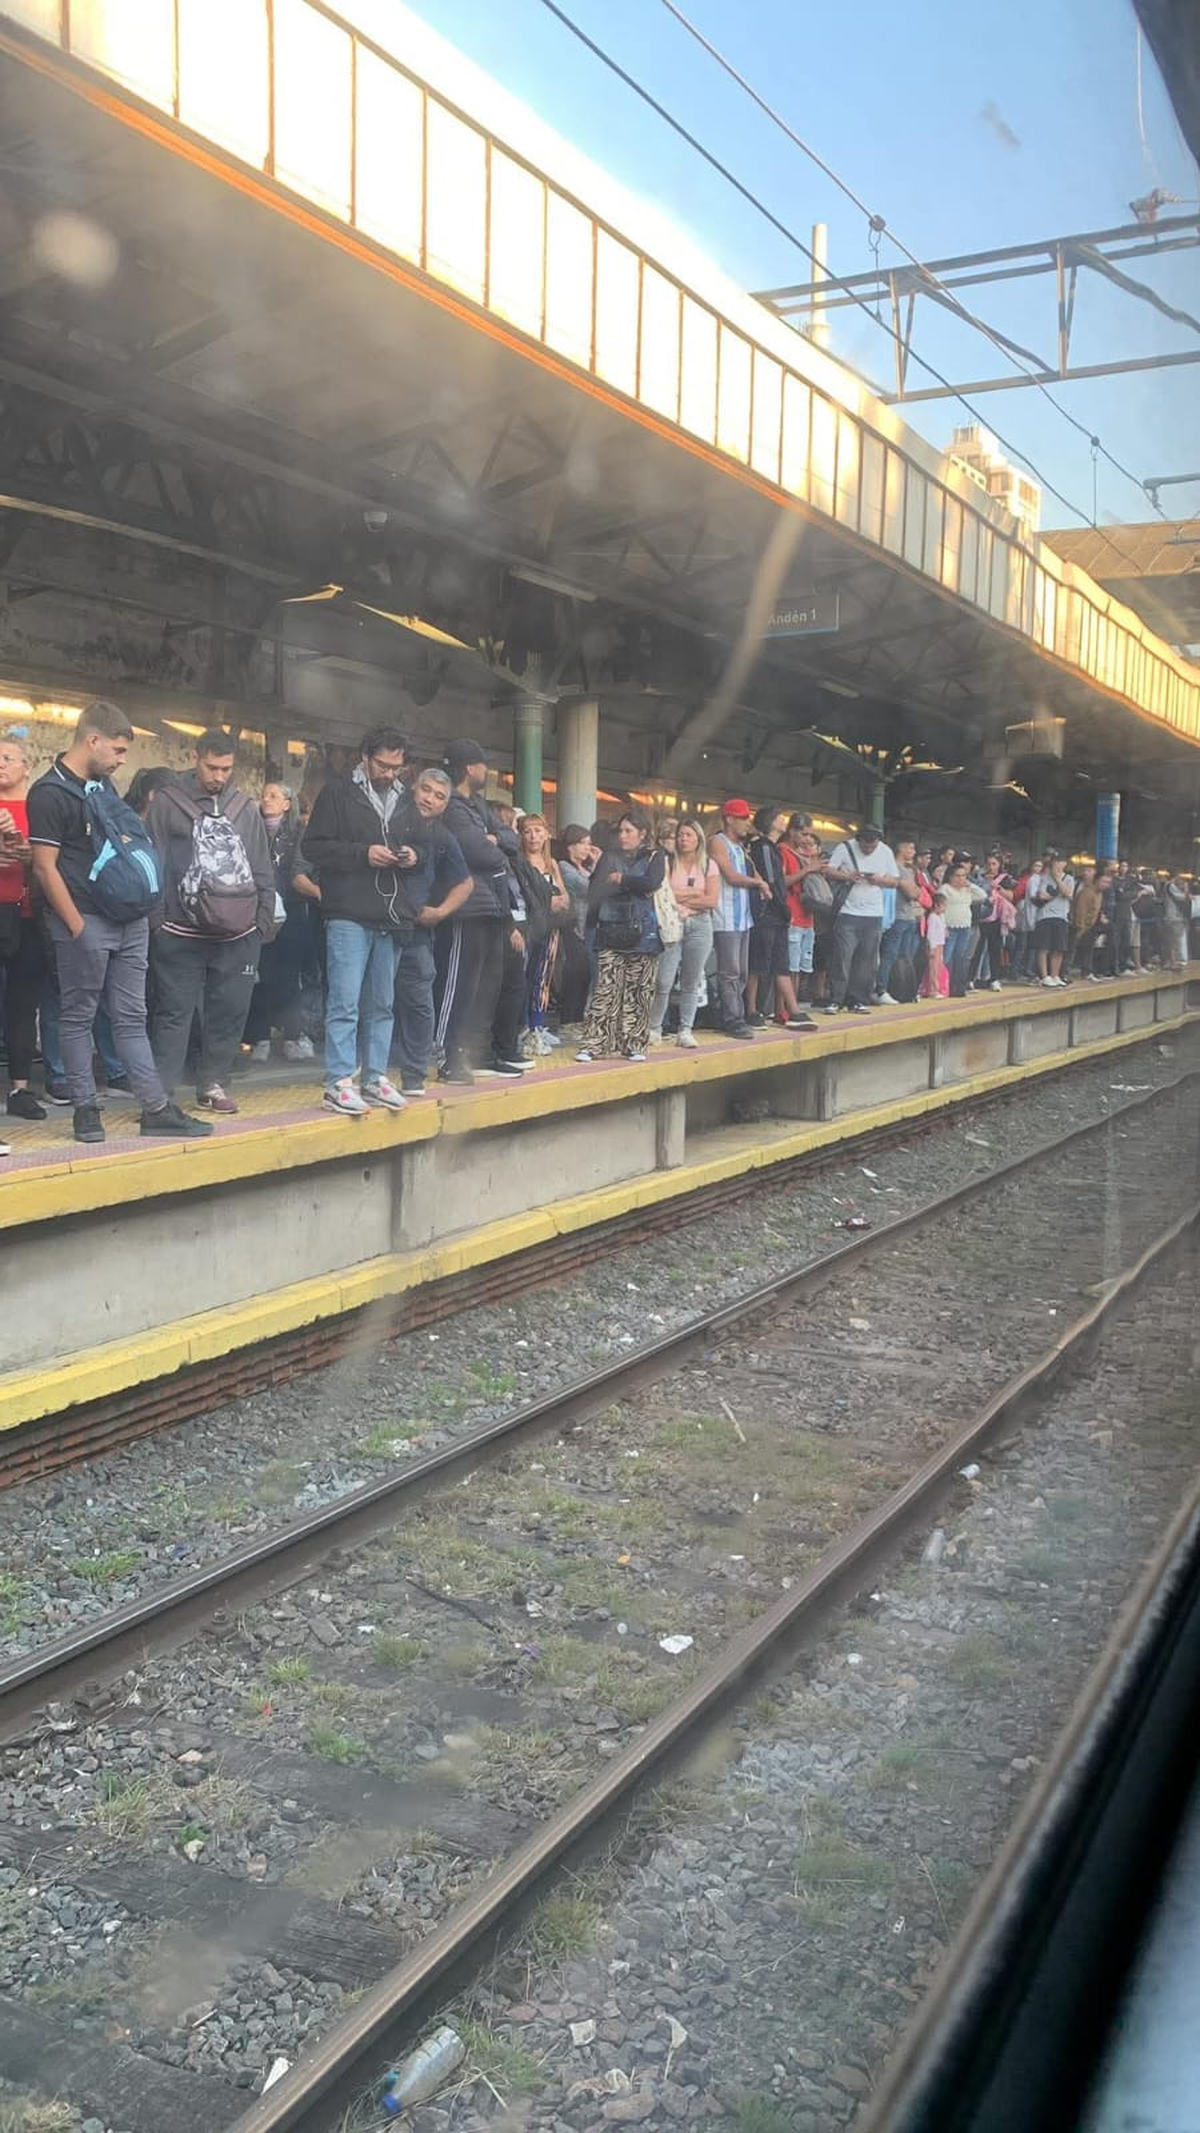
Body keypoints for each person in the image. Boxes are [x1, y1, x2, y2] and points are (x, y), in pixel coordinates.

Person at [27, 699, 213, 1145]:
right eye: (117, 750)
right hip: (85, 921)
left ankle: (155, 1108)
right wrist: (75, 926)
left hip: (128, 920)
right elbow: (45, 868)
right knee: (78, 1016)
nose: (121, 759)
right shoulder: (48, 793)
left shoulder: (102, 787)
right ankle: (85, 1110)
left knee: (132, 1016)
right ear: (91, 740)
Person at [144, 729, 278, 1116]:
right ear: (195, 757)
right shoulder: (168, 802)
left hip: (238, 931)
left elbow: (261, 866)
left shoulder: (245, 807)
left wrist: (261, 923)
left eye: (226, 768)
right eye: (212, 766)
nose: (219, 776)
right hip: (178, 930)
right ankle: (162, 1095)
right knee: (173, 1011)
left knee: (229, 1009)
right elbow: (154, 861)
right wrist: (156, 921)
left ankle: (213, 1084)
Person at [301, 725, 420, 1115]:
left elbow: (425, 843)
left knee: (383, 1004)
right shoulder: (338, 791)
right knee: (345, 1002)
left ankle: (374, 1078)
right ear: (365, 758)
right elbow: (313, 846)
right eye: (383, 765)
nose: (390, 774)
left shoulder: (405, 798)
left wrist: (413, 855)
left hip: (391, 914)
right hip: (348, 911)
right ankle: (338, 1081)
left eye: (396, 768)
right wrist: (361, 854)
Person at [434, 740, 520, 1084]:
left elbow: (508, 841)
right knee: (459, 985)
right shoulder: (453, 808)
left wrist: (496, 839)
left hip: (491, 907)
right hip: (464, 908)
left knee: (487, 987)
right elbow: (482, 853)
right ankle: (448, 1055)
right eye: (484, 764)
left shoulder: (477, 805)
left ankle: (479, 1052)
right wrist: (495, 843)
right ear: (470, 767)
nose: (488, 771)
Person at [387, 765, 473, 1095]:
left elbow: (464, 884)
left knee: (419, 1005)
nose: (430, 799)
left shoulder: (443, 838)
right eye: (426, 790)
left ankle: (413, 1076)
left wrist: (439, 912)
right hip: (375, 925)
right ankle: (362, 1073)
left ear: (445, 804)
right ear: (414, 788)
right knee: (372, 1003)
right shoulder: (388, 819)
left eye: (439, 796)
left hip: (416, 933)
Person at [576, 809, 666, 1061]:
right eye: (621, 831)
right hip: (610, 929)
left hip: (644, 933)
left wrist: (621, 879)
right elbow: (596, 888)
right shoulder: (609, 856)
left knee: (639, 990)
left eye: (629, 831)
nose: (623, 836)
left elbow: (652, 882)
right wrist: (629, 884)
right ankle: (595, 1043)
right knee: (606, 989)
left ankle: (634, 1044)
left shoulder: (655, 856)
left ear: (643, 833)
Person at [243, 780, 312, 1064]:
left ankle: (292, 1035)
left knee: (288, 974)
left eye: (273, 796)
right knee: (258, 976)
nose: (266, 800)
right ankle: (259, 1037)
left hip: (292, 911)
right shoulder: (251, 831)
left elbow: (299, 870)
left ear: (287, 803)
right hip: (259, 912)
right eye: (263, 795)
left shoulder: (299, 832)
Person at [0, 731, 47, 1120]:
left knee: (22, 1004)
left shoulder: (38, 808)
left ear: (26, 767)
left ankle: (19, 1089)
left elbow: (53, 863)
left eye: (8, 757)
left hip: (28, 916)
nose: (1, 763)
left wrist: (30, 856)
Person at [649, 815, 719, 1047]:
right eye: (680, 835)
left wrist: (688, 899)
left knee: (691, 980)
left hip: (700, 924)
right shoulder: (668, 862)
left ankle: (685, 1029)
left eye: (688, 835)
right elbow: (665, 895)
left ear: (698, 839)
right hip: (673, 922)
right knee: (663, 980)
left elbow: (712, 900)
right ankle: (654, 1027)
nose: (683, 839)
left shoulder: (709, 864)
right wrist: (695, 895)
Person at [746, 806, 813, 1028]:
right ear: (771, 822)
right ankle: (751, 1009)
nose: (784, 820)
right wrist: (784, 907)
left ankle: (792, 1010)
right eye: (779, 817)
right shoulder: (763, 846)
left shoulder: (771, 848)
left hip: (777, 912)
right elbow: (773, 880)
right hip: (767, 912)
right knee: (758, 963)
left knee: (779, 963)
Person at [821, 822, 899, 1014]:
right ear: (859, 840)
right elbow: (828, 870)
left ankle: (857, 999)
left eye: (873, 846)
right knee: (842, 956)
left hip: (873, 913)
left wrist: (878, 880)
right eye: (865, 845)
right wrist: (847, 876)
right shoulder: (845, 847)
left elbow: (895, 881)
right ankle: (836, 998)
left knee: (866, 960)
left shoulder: (885, 852)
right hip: (848, 911)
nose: (869, 849)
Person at [710, 798, 768, 1038]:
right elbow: (731, 876)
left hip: (743, 917)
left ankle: (735, 1013)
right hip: (725, 916)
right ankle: (732, 1018)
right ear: (729, 819)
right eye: (743, 818)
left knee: (742, 971)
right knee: (730, 971)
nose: (747, 823)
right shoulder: (717, 842)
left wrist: (761, 882)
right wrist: (759, 883)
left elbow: (750, 870)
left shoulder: (741, 847)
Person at [514, 813, 571, 1056]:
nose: (533, 836)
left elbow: (565, 898)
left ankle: (537, 1025)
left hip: (550, 928)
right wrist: (548, 902)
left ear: (547, 833)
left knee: (542, 978)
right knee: (522, 977)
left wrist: (551, 902)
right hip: (527, 929)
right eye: (527, 831)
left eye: (538, 830)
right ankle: (521, 1027)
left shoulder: (552, 864)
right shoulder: (518, 862)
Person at [551, 823, 594, 1031]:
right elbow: (589, 888)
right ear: (570, 846)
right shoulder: (563, 867)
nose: (587, 848)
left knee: (585, 973)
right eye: (583, 843)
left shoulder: (585, 868)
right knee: (574, 973)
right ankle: (568, 1020)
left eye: (589, 843)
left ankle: (577, 1019)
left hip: (587, 927)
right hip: (571, 925)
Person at [779, 815, 822, 1004]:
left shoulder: (802, 855)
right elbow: (781, 882)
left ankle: (794, 1003)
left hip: (807, 916)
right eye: (804, 834)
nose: (807, 840)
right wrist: (807, 870)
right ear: (792, 831)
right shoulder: (783, 851)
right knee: (791, 966)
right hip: (792, 915)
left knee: (803, 966)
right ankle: (786, 1006)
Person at [876, 834, 923, 1003]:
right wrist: (913, 890)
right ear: (901, 848)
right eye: (910, 847)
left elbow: (919, 892)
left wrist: (914, 890)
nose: (913, 851)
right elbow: (913, 892)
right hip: (896, 917)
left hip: (909, 917)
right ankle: (882, 988)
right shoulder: (894, 868)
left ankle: (903, 989)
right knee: (890, 955)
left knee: (905, 957)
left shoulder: (909, 870)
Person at [940, 862, 986, 996]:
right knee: (947, 957)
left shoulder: (968, 890)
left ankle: (958, 986)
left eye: (964, 876)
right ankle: (944, 985)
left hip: (965, 927)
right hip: (949, 927)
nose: (961, 879)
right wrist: (943, 927)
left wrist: (970, 885)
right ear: (950, 877)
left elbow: (982, 895)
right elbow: (939, 909)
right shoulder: (945, 889)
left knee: (960, 957)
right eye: (957, 876)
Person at [1031, 851, 1075, 987]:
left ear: (1064, 864)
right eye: (1055, 863)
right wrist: (1057, 893)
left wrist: (1057, 880)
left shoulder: (1069, 879)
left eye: (1060, 862)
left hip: (1061, 916)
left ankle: (1055, 975)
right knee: (1043, 947)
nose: (1057, 865)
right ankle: (1044, 976)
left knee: (1059, 948)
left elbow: (1068, 893)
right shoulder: (1044, 878)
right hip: (1045, 916)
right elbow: (1041, 896)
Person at [1068, 866, 1104, 981]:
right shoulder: (1076, 884)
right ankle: (1065, 971)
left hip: (1090, 923)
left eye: (1089, 871)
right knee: (1071, 948)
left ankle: (1087, 971)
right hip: (1074, 921)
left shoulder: (1095, 889)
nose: (1085, 873)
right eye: (1085, 871)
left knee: (1088, 947)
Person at [922, 891, 949, 996]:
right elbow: (931, 933)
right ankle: (933, 989)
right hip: (935, 945)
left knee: (938, 967)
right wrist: (932, 947)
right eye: (944, 905)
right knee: (933, 968)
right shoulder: (932, 917)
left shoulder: (939, 917)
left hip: (940, 944)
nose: (945, 908)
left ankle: (936, 988)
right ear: (937, 905)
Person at [1163, 869, 1191, 970]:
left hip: (1172, 916)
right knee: (1175, 940)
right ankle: (1174, 962)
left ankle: (1171, 961)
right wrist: (1186, 890)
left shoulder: (1167, 885)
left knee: (1172, 940)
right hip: (1173, 916)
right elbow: (1182, 898)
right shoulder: (1170, 886)